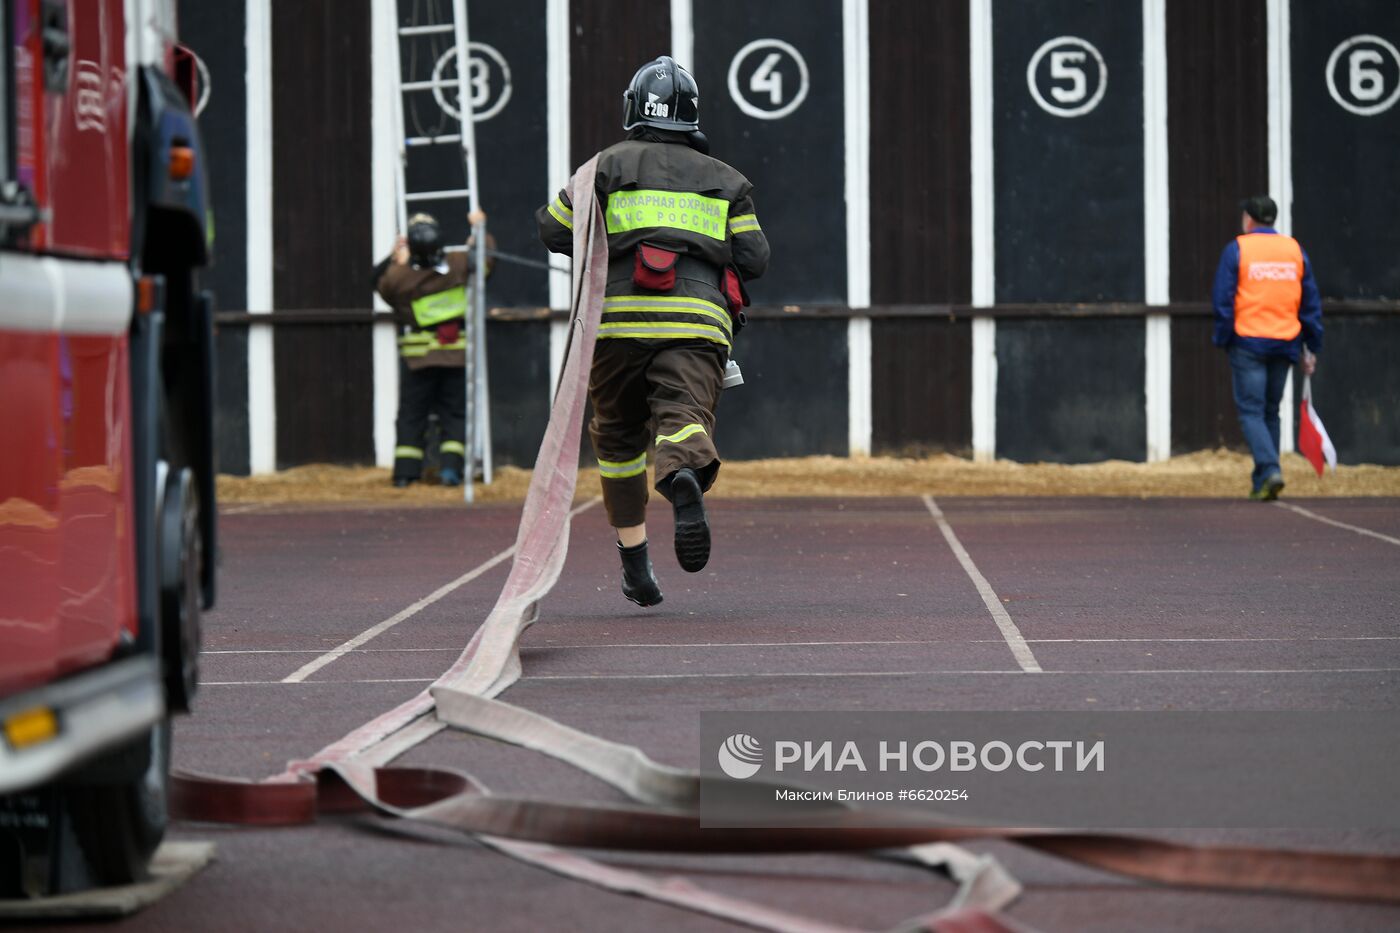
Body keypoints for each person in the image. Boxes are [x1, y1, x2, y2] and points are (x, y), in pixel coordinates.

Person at [536, 55, 770, 607]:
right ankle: (682, 476)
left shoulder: (602, 168)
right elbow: (755, 257)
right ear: (691, 115)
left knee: (617, 440)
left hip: (615, 323)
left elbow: (552, 228)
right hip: (696, 323)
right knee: (682, 417)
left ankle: (635, 565)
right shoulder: (728, 180)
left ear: (632, 110)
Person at [1211, 195, 1323, 500]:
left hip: (1248, 340)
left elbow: (1223, 299)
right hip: (1286, 341)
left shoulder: (1238, 249)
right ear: (1274, 219)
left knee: (1251, 412)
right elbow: (1310, 302)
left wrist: (1222, 338)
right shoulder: (1294, 250)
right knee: (1271, 412)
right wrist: (1311, 346)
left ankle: (1271, 468)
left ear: (1248, 218)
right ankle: (1263, 481)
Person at [373, 210, 493, 488]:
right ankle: (450, 471)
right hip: (455, 356)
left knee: (412, 415)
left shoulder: (400, 279)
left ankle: (405, 474)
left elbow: (378, 284)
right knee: (453, 414)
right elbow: (485, 262)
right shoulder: (458, 264)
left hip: (418, 361)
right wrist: (480, 230)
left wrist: (395, 259)